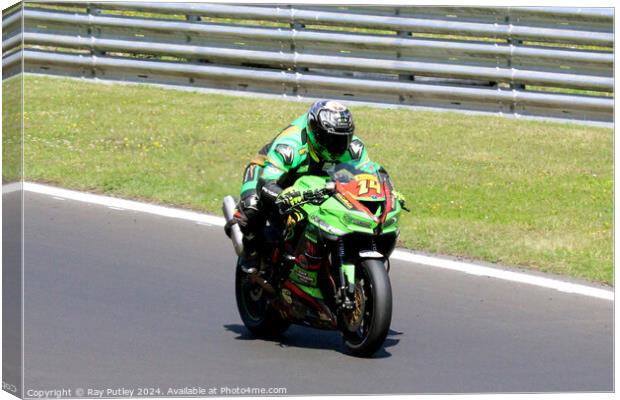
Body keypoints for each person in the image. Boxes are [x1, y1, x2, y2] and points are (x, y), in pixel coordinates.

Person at [232, 100, 396, 271]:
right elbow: (266, 184)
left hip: (317, 179)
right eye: (330, 139)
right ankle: (249, 254)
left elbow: (368, 176)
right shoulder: (291, 145)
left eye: (342, 139)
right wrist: (284, 196)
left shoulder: (354, 148)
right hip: (271, 172)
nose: (337, 146)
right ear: (314, 132)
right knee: (253, 206)